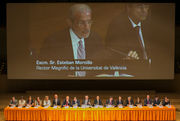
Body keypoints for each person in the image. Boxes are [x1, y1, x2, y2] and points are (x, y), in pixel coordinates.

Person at [40, 4, 104, 77]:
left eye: (89, 22)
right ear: (70, 22)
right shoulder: (53, 42)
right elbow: (44, 71)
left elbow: (101, 66)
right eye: (81, 23)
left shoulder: (96, 39)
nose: (87, 28)